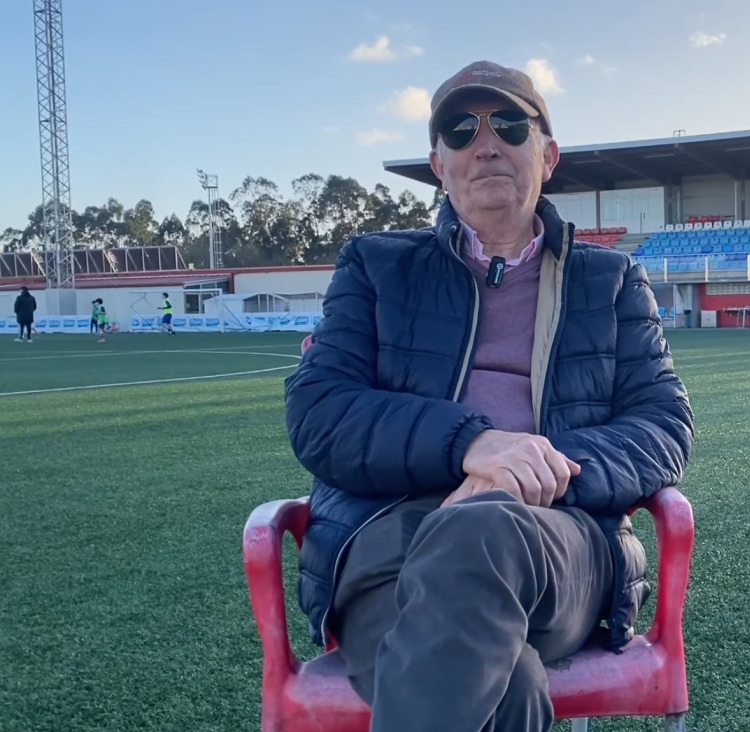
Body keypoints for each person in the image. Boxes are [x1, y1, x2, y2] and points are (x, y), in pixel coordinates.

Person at [283, 60, 694, 732]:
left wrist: (531, 468)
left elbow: (664, 423)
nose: (486, 143)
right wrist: (473, 443)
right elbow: (320, 412)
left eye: (509, 124)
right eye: (460, 129)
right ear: (439, 164)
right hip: (391, 541)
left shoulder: (611, 281)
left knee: (483, 531)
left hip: (556, 537)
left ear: (548, 155)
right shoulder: (375, 265)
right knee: (509, 691)